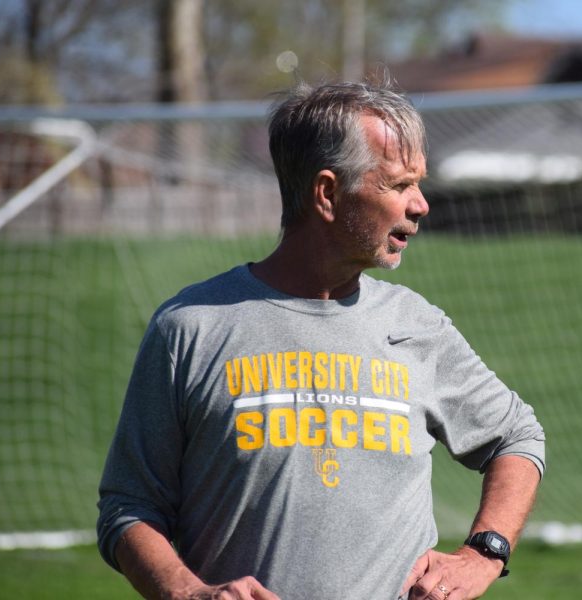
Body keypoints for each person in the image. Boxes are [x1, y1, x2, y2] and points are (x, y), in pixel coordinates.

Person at [97, 78, 545, 600]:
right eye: (399, 185)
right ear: (327, 193)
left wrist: (483, 553)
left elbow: (517, 436)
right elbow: (128, 507)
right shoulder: (190, 327)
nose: (421, 204)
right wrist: (189, 593)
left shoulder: (418, 326)